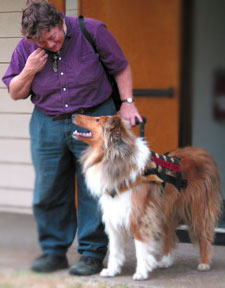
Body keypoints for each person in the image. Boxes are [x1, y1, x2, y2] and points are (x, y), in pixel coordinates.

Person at [2, 0, 142, 276]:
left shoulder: (91, 30)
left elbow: (120, 66)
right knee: (49, 188)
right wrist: (29, 69)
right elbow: (15, 92)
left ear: (59, 21)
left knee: (94, 188)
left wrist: (127, 102)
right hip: (47, 122)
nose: (50, 45)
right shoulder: (26, 48)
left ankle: (91, 253)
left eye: (52, 38)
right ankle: (54, 251)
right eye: (42, 42)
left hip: (94, 117)